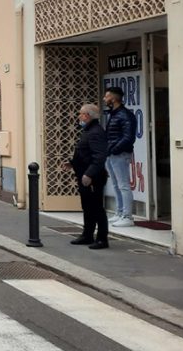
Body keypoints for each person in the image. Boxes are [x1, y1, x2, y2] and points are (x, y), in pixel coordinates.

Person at [62, 104, 109, 250]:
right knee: (87, 207)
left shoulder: (95, 132)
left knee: (96, 208)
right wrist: (72, 163)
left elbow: (99, 156)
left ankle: (102, 238)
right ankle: (87, 234)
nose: (79, 116)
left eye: (81, 113)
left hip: (92, 177)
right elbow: (84, 153)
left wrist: (89, 174)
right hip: (84, 174)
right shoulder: (88, 130)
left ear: (87, 115)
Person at [103, 86, 137, 228]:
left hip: (120, 154)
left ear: (114, 98)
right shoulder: (115, 114)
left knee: (123, 185)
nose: (104, 99)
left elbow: (128, 137)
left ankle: (127, 216)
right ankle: (120, 212)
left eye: (107, 96)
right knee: (116, 185)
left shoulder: (125, 115)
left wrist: (114, 149)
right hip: (112, 154)